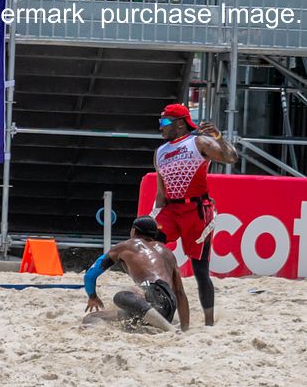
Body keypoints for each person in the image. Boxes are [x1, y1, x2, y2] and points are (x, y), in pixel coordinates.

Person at [154, 103, 238, 327]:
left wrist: (219, 137)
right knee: (147, 246)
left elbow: (231, 158)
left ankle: (208, 322)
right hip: (171, 210)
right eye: (160, 121)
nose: (160, 126)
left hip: (197, 210)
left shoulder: (198, 142)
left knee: (200, 270)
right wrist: (154, 216)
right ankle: (156, 304)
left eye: (165, 122)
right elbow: (161, 193)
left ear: (180, 124)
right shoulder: (160, 152)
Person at [82, 215, 189, 333]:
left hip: (153, 299)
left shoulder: (127, 245)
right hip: (168, 308)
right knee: (101, 316)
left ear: (133, 230)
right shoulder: (168, 253)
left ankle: (170, 329)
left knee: (120, 297)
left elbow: (90, 275)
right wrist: (185, 328)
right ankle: (166, 325)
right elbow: (180, 293)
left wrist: (93, 297)